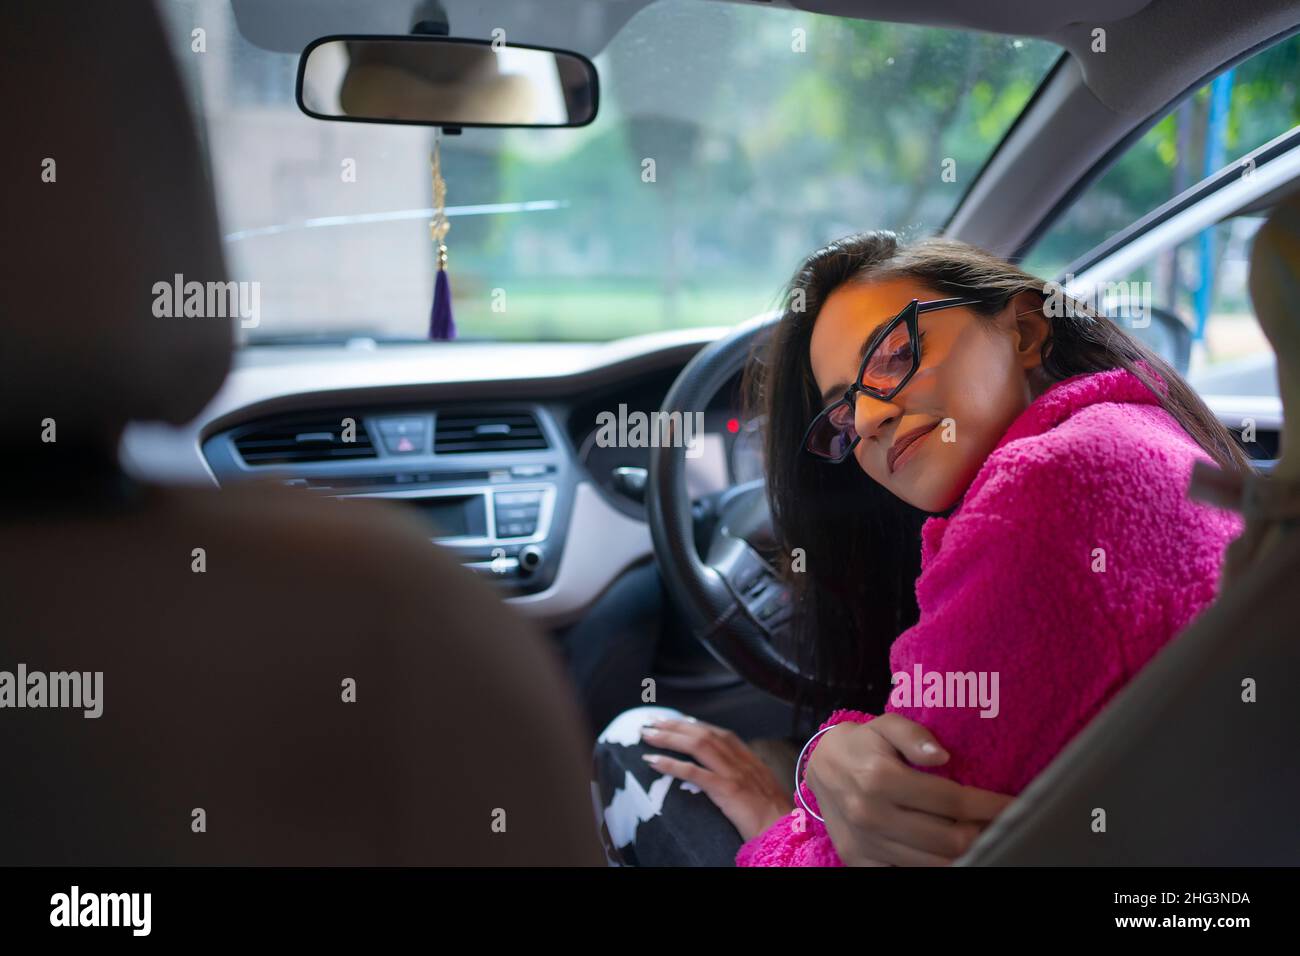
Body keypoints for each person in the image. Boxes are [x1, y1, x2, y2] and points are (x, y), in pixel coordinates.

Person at [593, 231, 1246, 866]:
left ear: (1024, 329)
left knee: (633, 741)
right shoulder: (1137, 434)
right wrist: (824, 756)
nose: (869, 419)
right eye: (843, 418)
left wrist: (777, 811)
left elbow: (891, 844)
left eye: (895, 354)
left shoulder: (1041, 492)